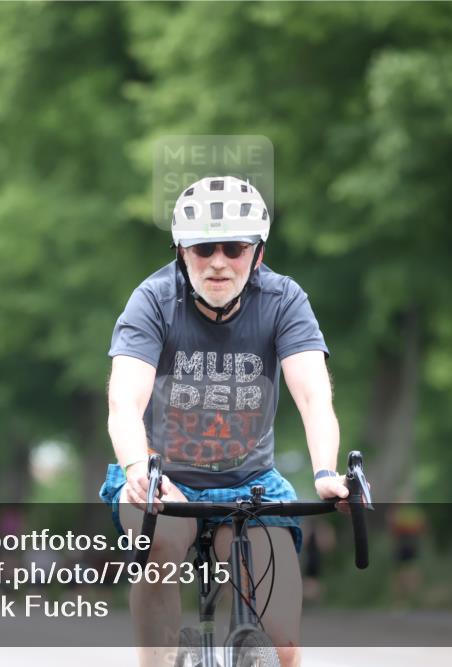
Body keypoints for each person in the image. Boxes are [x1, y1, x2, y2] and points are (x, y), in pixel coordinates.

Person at [101, 176, 348, 667]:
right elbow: (124, 401)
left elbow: (313, 395)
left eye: (234, 248)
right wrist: (136, 470)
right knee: (160, 547)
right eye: (202, 247)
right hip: (160, 479)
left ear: (257, 254)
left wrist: (325, 473)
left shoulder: (284, 300)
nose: (218, 261)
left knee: (283, 649)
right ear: (180, 251)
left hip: (251, 484)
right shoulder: (152, 300)